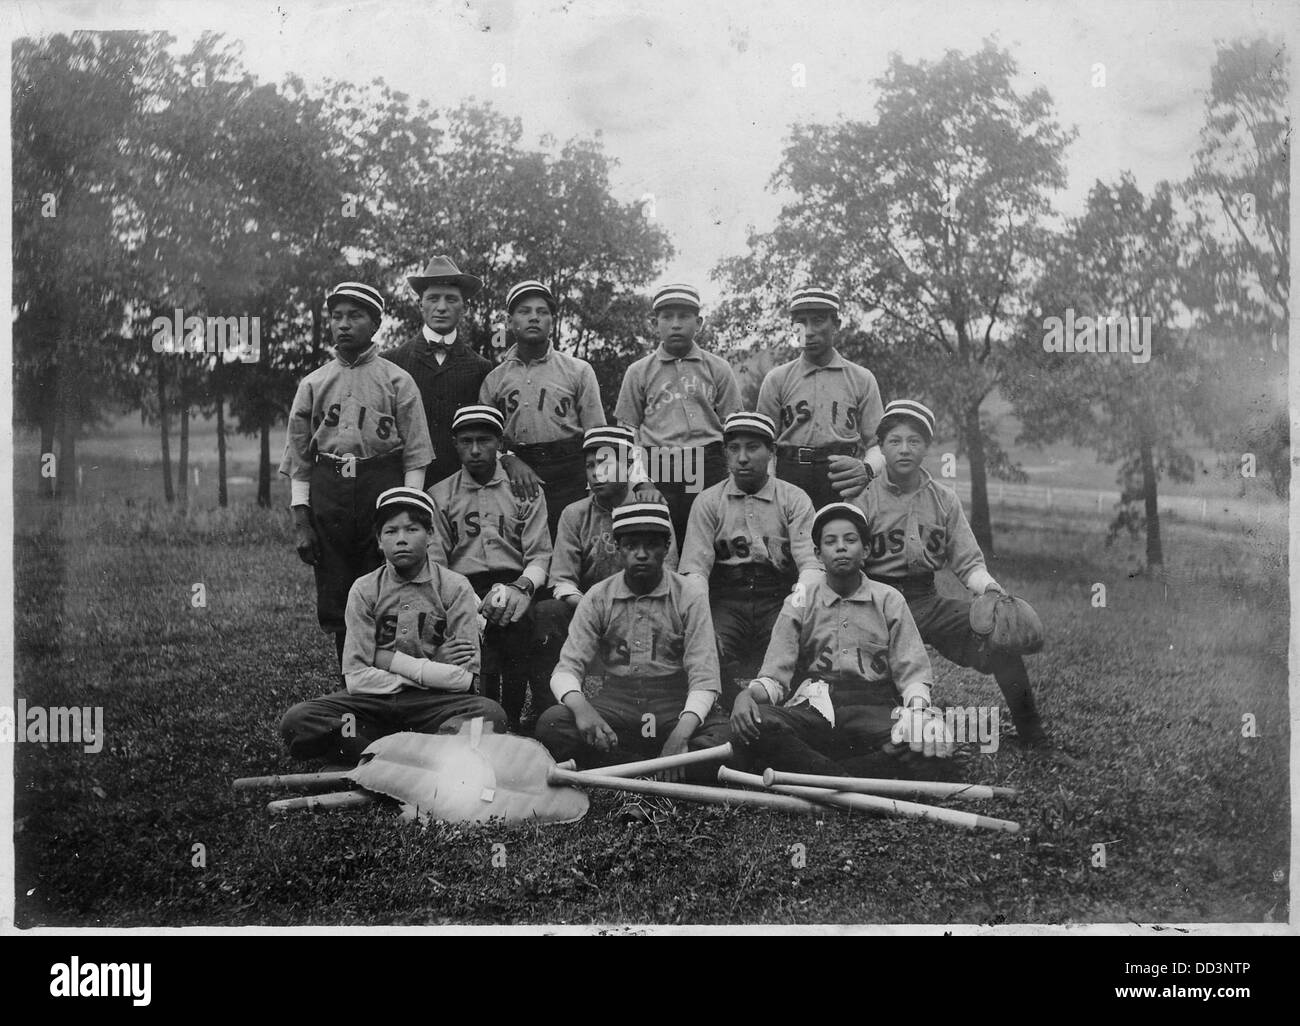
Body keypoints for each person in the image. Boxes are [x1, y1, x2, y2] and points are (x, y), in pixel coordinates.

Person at [854, 399, 1056, 751]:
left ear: (927, 448)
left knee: (998, 639)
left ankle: (1033, 736)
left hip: (925, 599)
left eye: (914, 441)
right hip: (877, 601)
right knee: (877, 707)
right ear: (881, 447)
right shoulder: (862, 498)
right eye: (895, 440)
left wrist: (991, 589)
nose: (904, 449)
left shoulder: (944, 499)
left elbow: (968, 562)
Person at [279, 487, 507, 766]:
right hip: (375, 705)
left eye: (412, 529)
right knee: (299, 719)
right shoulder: (364, 589)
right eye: (390, 531)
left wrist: (388, 660)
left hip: (434, 706)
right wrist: (431, 665)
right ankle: (417, 757)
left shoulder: (455, 587)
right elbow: (356, 679)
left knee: (489, 714)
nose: (401, 540)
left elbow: (464, 679)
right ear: (378, 540)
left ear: (430, 535)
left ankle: (374, 755)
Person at [728, 502, 953, 777]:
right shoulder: (800, 600)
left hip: (874, 708)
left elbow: (913, 676)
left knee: (930, 740)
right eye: (830, 541)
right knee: (758, 724)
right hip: (816, 708)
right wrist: (746, 695)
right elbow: (775, 679)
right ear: (818, 554)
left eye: (850, 540)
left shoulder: (889, 600)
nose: (841, 547)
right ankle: (858, 774)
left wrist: (918, 715)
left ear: (866, 550)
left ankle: (819, 773)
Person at [279, 282, 434, 667]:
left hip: (379, 486)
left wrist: (408, 511)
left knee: (385, 585)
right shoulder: (314, 383)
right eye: (337, 317)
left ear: (376, 323)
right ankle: (352, 685)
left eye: (355, 316)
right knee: (339, 595)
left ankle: (392, 681)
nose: (344, 325)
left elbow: (415, 454)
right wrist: (302, 518)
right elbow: (299, 456)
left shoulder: (398, 380)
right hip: (329, 488)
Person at [534, 502, 730, 783]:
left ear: (666, 547)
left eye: (651, 545)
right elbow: (567, 668)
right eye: (631, 545)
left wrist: (681, 734)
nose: (641, 554)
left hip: (673, 704)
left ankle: (620, 768)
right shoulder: (598, 596)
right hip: (616, 703)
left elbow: (705, 678)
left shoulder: (689, 596)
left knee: (723, 736)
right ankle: (660, 769)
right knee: (553, 724)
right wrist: (583, 710)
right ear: (618, 547)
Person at [677, 411, 820, 707]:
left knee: (803, 647)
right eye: (734, 448)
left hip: (777, 597)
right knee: (698, 647)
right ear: (725, 453)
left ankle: (780, 708)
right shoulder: (708, 501)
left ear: (771, 452)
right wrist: (699, 619)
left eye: (753, 448)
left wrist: (795, 608)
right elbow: (695, 571)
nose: (742, 458)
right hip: (728, 599)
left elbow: (811, 566)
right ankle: (732, 703)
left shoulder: (794, 498)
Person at [426, 405, 552, 731]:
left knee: (518, 626)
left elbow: (540, 554)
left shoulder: (524, 489)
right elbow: (436, 561)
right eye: (466, 441)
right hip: (461, 585)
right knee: (471, 637)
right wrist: (461, 598)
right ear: (455, 443)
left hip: (514, 581)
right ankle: (477, 717)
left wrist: (521, 589)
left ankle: (509, 718)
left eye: (484, 440)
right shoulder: (439, 495)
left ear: (499, 442)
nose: (476, 450)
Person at [385, 255, 541, 497]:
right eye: (433, 298)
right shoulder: (391, 362)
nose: (441, 307)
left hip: (461, 490)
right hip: (401, 484)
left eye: (451, 299)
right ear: (420, 305)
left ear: (465, 308)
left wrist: (507, 458)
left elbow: (493, 429)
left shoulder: (481, 367)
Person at [532, 425, 679, 679]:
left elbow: (669, 573)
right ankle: (551, 703)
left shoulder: (652, 507)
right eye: (590, 466)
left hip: (643, 608)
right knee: (548, 611)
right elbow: (562, 580)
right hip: (587, 609)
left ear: (628, 465)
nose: (597, 474)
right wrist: (594, 610)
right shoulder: (574, 514)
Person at [479, 280, 612, 536]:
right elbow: (486, 437)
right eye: (524, 311)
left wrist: (596, 483)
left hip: (570, 469)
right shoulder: (495, 379)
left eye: (542, 312)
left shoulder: (578, 370)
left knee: (572, 542)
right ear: (509, 321)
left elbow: (597, 433)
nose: (533, 318)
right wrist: (507, 459)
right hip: (517, 474)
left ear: (552, 320)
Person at [614, 283, 743, 545]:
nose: (675, 324)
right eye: (667, 317)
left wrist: (733, 477)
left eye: (684, 317)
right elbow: (626, 435)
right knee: (665, 543)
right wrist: (641, 483)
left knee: (710, 539)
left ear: (699, 322)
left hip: (708, 465)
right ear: (654, 323)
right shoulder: (639, 371)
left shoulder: (718, 368)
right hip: (659, 466)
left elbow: (735, 428)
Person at [756, 287, 881, 509]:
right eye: (801, 322)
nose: (809, 331)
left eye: (818, 320)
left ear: (837, 325)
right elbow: (764, 445)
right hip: (790, 475)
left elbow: (877, 443)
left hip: (843, 477)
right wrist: (770, 486)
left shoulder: (861, 378)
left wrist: (867, 470)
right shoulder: (777, 379)